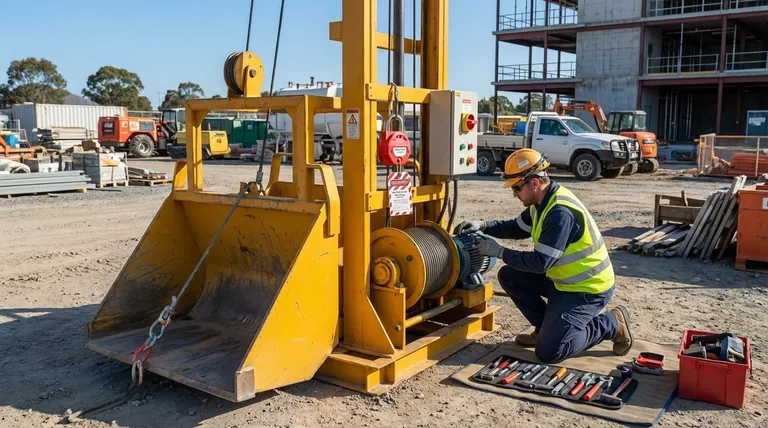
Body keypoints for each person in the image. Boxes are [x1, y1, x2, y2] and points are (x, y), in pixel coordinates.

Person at [454, 149, 633, 364]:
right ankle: (544, 328)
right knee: (510, 275)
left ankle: (612, 323)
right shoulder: (542, 202)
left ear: (535, 183)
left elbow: (540, 263)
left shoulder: (559, 213)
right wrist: (483, 225)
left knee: (550, 352)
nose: (514, 194)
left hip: (586, 290)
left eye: (517, 188)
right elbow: (517, 227)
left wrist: (498, 251)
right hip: (562, 281)